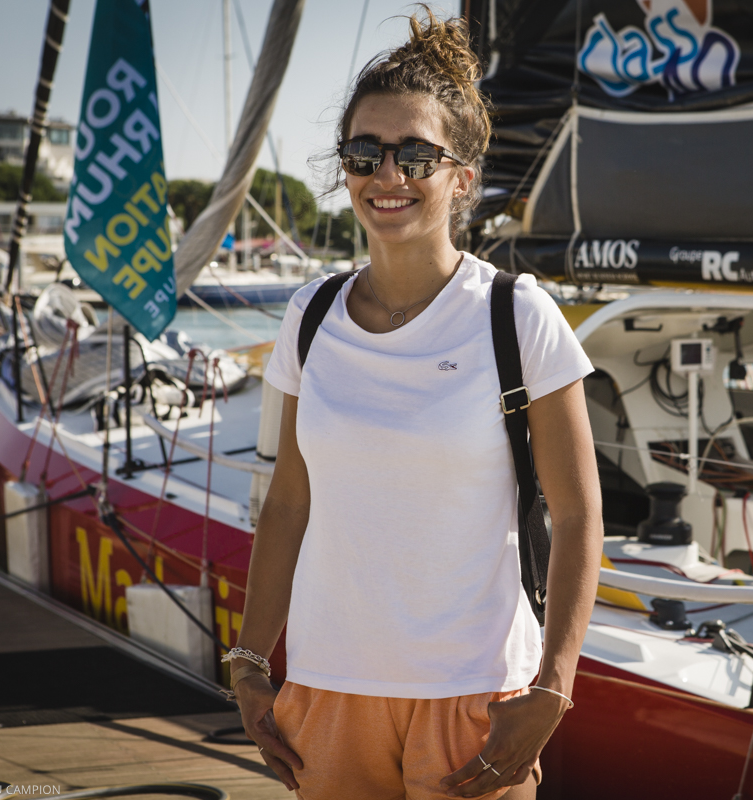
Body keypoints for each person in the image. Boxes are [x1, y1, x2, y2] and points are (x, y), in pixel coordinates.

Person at [225, 11, 602, 800]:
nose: (387, 174)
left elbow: (577, 516)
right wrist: (250, 663)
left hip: (477, 695)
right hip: (329, 688)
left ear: (461, 176)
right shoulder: (310, 316)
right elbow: (289, 502)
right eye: (364, 153)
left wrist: (553, 687)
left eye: (416, 155)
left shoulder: (517, 316)